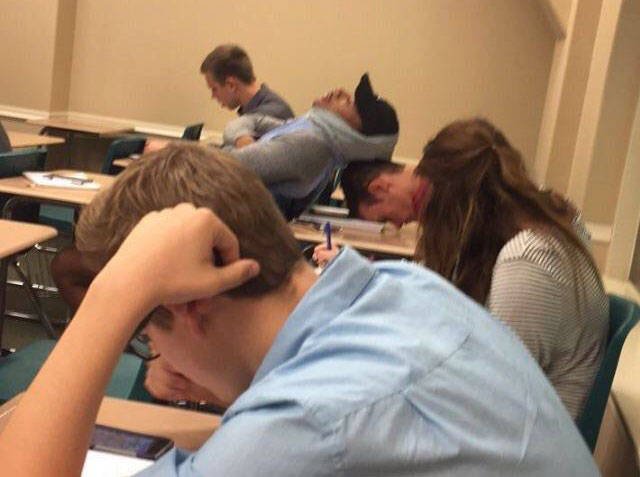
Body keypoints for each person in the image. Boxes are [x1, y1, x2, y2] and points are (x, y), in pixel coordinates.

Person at [0, 143, 597, 476]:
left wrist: (112, 299)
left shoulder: (309, 425)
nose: (159, 359)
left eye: (147, 336)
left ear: (190, 305)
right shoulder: (408, 290)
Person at [317, 118, 608, 420]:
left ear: (455, 206)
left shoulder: (527, 261)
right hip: (507, 421)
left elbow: (492, 396)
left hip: (520, 439)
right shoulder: (541, 223)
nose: (427, 221)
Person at [222, 72, 399, 219]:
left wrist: (236, 147)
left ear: (357, 136)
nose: (339, 92)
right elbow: (250, 121)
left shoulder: (312, 145)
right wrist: (242, 139)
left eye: (351, 103)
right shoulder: (311, 130)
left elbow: (225, 165)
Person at [200, 44, 294, 121]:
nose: (213, 96)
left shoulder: (263, 119)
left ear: (231, 85)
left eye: (214, 89)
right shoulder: (268, 106)